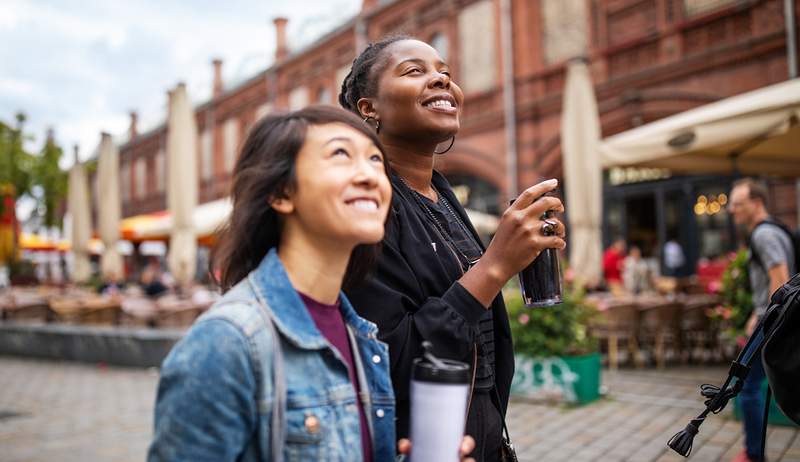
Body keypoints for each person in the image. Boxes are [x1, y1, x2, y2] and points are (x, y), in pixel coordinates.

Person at [148, 106, 475, 461]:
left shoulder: (361, 335)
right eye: (340, 154)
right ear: (281, 194)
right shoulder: (227, 342)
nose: (369, 176)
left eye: (375, 160)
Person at [339, 36, 566, 461]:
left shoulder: (441, 195)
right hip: (416, 443)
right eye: (414, 71)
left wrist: (516, 252)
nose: (441, 80)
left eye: (445, 72)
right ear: (369, 108)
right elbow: (390, 355)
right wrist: (496, 265)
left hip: (482, 433)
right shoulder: (367, 205)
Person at [728, 178, 794, 462]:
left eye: (738, 204)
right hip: (775, 321)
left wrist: (762, 322)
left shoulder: (764, 235)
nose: (731, 210)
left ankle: (754, 454)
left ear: (756, 203)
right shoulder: (776, 230)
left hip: (769, 322)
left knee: (747, 388)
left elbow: (780, 281)